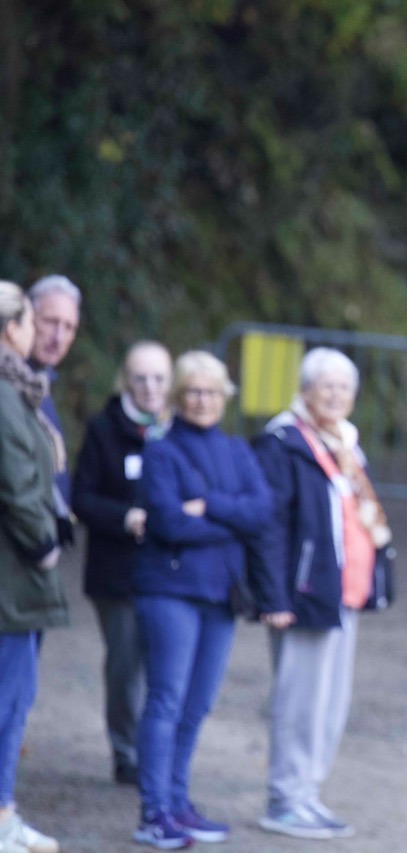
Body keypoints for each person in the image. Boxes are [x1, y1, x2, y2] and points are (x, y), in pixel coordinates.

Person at [247, 347, 392, 841]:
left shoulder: (344, 442)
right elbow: (267, 526)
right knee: (300, 702)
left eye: (344, 387)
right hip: (302, 595)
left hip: (340, 594)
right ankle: (285, 799)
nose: (335, 395)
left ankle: (306, 794)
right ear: (305, 390)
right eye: (326, 385)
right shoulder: (284, 443)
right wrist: (273, 596)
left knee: (329, 704)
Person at [131, 350, 272, 850]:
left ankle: (177, 800)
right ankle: (154, 811)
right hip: (169, 591)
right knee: (166, 700)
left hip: (221, 595)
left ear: (224, 397)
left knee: (197, 704)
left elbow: (262, 511)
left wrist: (209, 506)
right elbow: (168, 522)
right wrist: (231, 522)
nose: (202, 400)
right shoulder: (161, 452)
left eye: (211, 391)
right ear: (177, 396)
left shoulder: (237, 450)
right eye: (192, 390)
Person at [71, 341, 173, 787]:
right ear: (126, 381)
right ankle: (127, 752)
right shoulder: (103, 429)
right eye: (141, 378)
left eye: (159, 378)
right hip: (118, 573)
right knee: (126, 668)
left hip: (169, 571)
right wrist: (124, 517)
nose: (150, 387)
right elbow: (82, 498)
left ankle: (160, 751)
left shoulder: (178, 429)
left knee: (166, 667)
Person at [0, 282, 68, 853]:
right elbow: (18, 483)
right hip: (11, 579)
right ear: (11, 328)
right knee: (9, 699)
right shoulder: (4, 395)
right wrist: (44, 545)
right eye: (31, 321)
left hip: (13, 578)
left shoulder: (15, 389)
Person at [26, 275, 81, 544]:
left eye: (69, 327)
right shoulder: (12, 383)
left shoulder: (41, 382)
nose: (58, 337)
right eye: (51, 321)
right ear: (26, 318)